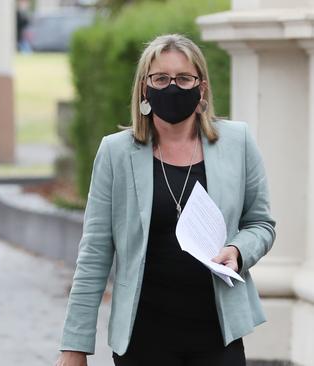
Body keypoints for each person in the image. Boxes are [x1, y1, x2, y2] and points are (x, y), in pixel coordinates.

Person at [55, 34, 276, 366]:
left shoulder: (238, 142)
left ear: (201, 88)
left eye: (184, 78)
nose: (173, 87)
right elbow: (95, 252)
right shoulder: (116, 153)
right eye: (161, 78)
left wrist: (239, 250)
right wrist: (75, 346)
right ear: (145, 88)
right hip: (143, 338)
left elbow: (261, 224)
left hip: (218, 333)